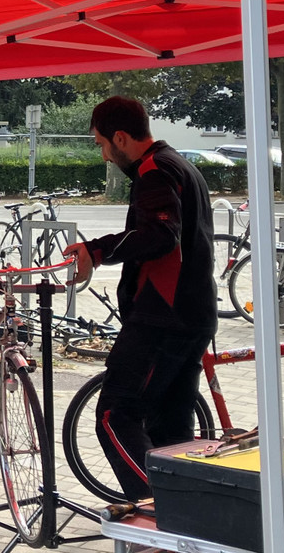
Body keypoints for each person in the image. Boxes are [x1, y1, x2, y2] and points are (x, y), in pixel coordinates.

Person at [63, 96, 217, 500]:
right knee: (171, 426)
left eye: (101, 144)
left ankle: (154, 513)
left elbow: (161, 234)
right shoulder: (182, 166)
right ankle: (181, 518)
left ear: (120, 137)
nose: (103, 156)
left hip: (162, 319)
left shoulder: (155, 170)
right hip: (194, 315)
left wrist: (95, 251)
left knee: (115, 414)